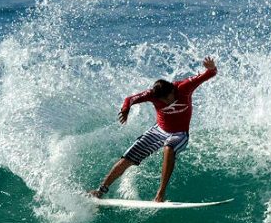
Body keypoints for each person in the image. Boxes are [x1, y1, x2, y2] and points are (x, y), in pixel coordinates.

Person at [89, 56, 217, 202]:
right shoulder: (152, 94)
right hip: (158, 130)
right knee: (127, 158)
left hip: (179, 133)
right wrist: (126, 109)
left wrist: (211, 68)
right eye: (161, 101)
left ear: (172, 91)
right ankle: (100, 191)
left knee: (169, 148)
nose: (165, 102)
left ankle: (160, 194)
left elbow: (210, 74)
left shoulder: (184, 87)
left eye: (167, 99)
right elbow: (130, 99)